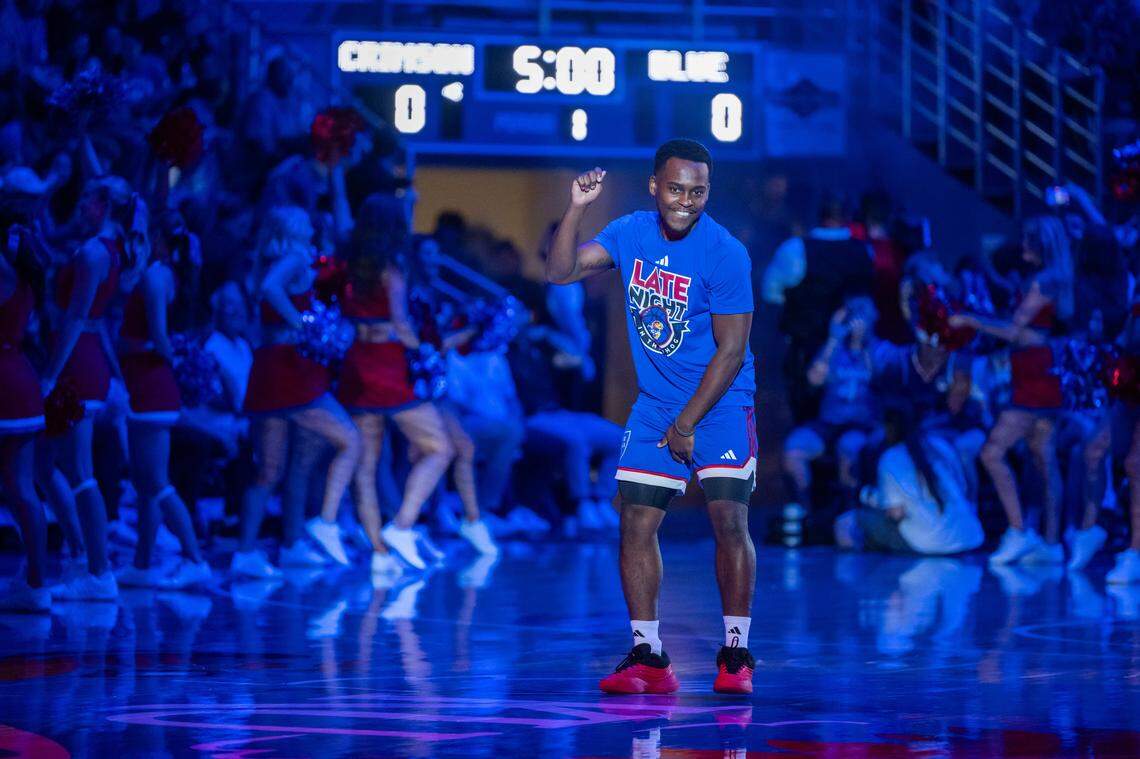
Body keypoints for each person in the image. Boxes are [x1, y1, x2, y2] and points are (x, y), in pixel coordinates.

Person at [547, 139, 758, 695]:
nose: (686, 201)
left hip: (721, 402)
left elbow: (731, 351)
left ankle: (736, 653)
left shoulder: (726, 252)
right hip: (657, 403)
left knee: (728, 520)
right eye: (675, 189)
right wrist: (576, 208)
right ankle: (649, 656)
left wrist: (687, 424)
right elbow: (560, 272)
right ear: (654, 186)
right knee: (636, 522)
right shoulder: (630, 232)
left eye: (697, 191)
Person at [232, 206, 360, 577]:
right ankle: (326, 521)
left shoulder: (278, 258)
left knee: (269, 470)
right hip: (290, 372)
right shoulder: (293, 258)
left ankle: (257, 551)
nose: (310, 223)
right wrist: (304, 324)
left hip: (269, 368)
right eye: (303, 220)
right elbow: (269, 289)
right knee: (350, 440)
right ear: (290, 228)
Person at [337, 193, 457, 572]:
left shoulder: (349, 265)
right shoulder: (392, 267)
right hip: (387, 365)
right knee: (439, 448)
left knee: (366, 464)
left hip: (357, 362)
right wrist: (424, 349)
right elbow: (401, 322)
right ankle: (402, 526)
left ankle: (379, 553)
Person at [950, 216, 1072, 566]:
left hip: (1036, 377)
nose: (1022, 248)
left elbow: (1014, 331)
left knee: (993, 452)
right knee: (1043, 456)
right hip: (1038, 371)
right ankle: (1050, 541)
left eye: (1027, 241)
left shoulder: (1044, 282)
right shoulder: (1052, 279)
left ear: (1040, 244)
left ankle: (1019, 530)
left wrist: (970, 320)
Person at [40, 178, 129, 601]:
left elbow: (77, 318)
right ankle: (81, 553)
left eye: (86, 198)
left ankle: (99, 571)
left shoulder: (95, 253)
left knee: (80, 471)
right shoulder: (109, 249)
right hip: (87, 357)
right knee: (44, 465)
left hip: (77, 362)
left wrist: (49, 375)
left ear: (103, 204)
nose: (79, 204)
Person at [114, 201, 210, 589]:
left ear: (155, 237)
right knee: (144, 483)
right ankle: (141, 564)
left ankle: (195, 558)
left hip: (152, 386)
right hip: (147, 385)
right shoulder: (166, 274)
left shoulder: (155, 277)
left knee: (156, 482)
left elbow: (159, 340)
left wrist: (126, 346)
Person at [762, 193, 872, 421]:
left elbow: (771, 294)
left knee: (806, 414)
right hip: (849, 354)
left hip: (807, 349)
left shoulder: (795, 249)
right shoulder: (864, 251)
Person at [782, 297, 878, 527]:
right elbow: (814, 378)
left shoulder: (878, 349)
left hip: (861, 425)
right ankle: (806, 515)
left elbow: (880, 380)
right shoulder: (834, 350)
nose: (857, 322)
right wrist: (834, 337)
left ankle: (849, 516)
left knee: (849, 448)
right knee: (794, 449)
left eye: (862, 316)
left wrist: (862, 346)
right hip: (828, 424)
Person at [0, 220, 50, 610]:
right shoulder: (26, 275)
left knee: (20, 488)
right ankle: (37, 584)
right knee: (22, 488)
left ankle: (35, 583)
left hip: (4, 379)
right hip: (20, 375)